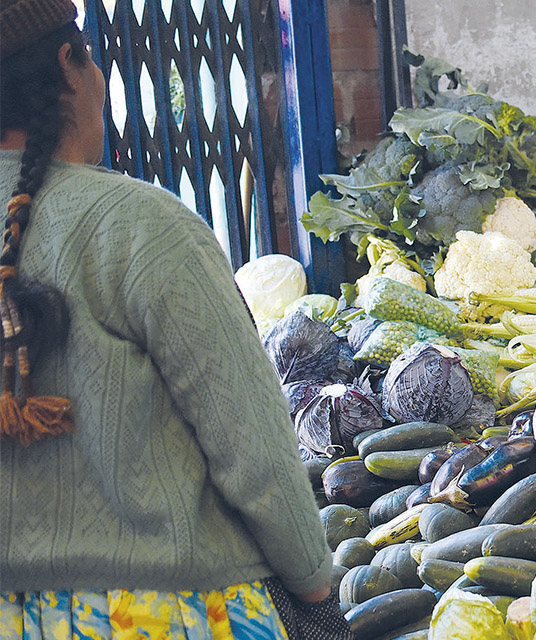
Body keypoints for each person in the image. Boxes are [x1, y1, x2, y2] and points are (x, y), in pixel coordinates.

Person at [0, 1, 338, 637]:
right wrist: (316, 591)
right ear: (71, 71)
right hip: (171, 614)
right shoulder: (142, 228)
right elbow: (255, 451)